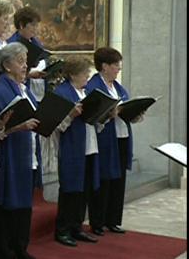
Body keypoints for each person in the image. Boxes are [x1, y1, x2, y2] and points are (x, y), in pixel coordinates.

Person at [0, 42, 42, 259]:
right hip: (6, 159)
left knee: (23, 206)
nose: (25, 66)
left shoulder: (24, 89)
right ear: (7, 65)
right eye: (20, 61)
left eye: (26, 61)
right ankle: (5, 250)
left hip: (26, 155)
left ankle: (20, 248)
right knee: (6, 208)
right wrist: (19, 126)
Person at [86, 47, 143, 236]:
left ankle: (113, 220)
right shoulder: (93, 87)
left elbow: (126, 110)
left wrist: (134, 115)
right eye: (115, 65)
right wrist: (110, 115)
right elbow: (92, 117)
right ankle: (98, 221)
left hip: (121, 137)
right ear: (104, 66)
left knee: (118, 181)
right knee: (103, 181)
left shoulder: (118, 87)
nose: (119, 68)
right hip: (103, 139)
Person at [52, 56, 100, 247]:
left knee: (84, 189)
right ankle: (62, 229)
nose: (87, 77)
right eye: (84, 74)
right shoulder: (61, 92)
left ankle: (77, 227)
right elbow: (56, 125)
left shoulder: (86, 91)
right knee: (70, 190)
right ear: (72, 75)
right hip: (71, 146)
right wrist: (71, 114)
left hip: (89, 145)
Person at [7, 6, 47, 102]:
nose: (35, 29)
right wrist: (29, 75)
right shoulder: (11, 44)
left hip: (39, 90)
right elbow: (9, 74)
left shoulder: (35, 42)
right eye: (33, 25)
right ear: (21, 25)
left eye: (37, 25)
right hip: (20, 90)